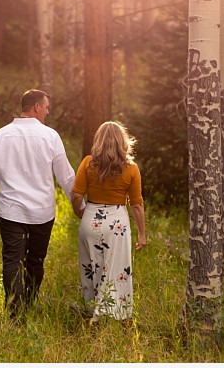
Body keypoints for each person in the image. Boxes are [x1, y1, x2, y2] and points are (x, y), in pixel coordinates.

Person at [0, 89, 76, 322]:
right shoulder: (50, 136)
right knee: (35, 260)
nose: (48, 111)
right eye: (46, 107)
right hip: (42, 212)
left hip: (11, 211)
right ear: (36, 108)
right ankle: (28, 304)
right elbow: (66, 176)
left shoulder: (0, 136)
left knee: (12, 260)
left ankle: (15, 312)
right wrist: (78, 204)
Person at [70, 121, 147, 322]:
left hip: (90, 219)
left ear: (99, 140)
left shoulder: (88, 162)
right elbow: (137, 204)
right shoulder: (131, 168)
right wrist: (142, 233)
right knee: (116, 268)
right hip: (117, 224)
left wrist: (78, 212)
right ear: (123, 141)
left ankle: (92, 310)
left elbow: (77, 195)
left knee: (91, 266)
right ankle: (114, 313)